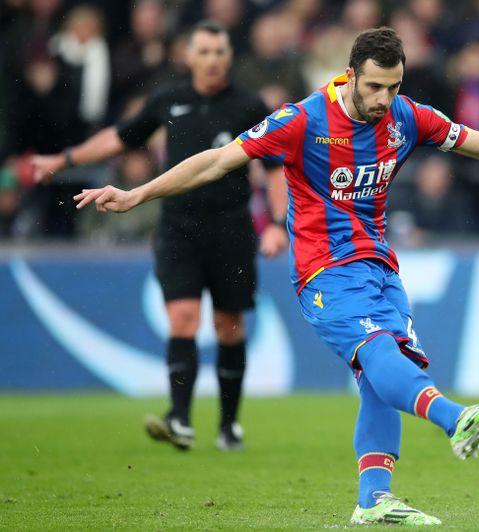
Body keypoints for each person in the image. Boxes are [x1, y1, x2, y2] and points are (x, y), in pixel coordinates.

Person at [73, 27, 479, 526]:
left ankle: (374, 500)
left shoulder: (407, 117)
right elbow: (215, 161)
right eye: (374, 87)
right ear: (349, 75)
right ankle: (454, 420)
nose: (385, 98)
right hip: (324, 272)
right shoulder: (303, 120)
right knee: (380, 354)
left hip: (380, 267)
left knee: (378, 378)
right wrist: (138, 193)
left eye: (393, 87)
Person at [32, 21, 289, 452]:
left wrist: (278, 225)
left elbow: (276, 167)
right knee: (183, 319)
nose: (212, 60)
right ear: (188, 56)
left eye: (220, 52)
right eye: (204, 52)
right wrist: (65, 158)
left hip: (232, 228)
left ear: (229, 57)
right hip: (178, 227)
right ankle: (181, 419)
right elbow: (121, 137)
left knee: (229, 327)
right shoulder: (168, 99)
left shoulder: (249, 105)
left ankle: (229, 424)